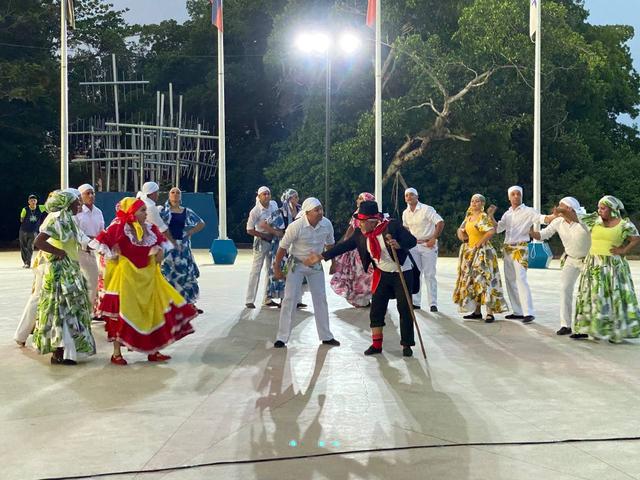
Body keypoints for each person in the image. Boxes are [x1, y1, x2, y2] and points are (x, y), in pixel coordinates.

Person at [91, 197, 198, 365]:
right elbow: (104, 248)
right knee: (122, 314)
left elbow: (161, 249)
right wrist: (116, 253)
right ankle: (117, 353)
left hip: (148, 278)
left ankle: (153, 350)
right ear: (131, 212)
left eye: (145, 210)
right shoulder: (119, 227)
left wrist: (158, 252)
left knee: (153, 311)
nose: (145, 213)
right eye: (142, 211)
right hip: (126, 278)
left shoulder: (149, 228)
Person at [307, 200, 418, 357]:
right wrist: (322, 256)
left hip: (402, 272)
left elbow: (411, 241)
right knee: (376, 308)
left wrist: (398, 244)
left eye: (362, 221)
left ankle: (407, 345)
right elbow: (344, 246)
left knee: (404, 308)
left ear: (373, 221)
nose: (359, 223)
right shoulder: (361, 234)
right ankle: (376, 345)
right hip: (382, 272)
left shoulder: (392, 227)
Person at [31, 190, 97, 365]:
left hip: (71, 269)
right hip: (59, 272)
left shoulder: (70, 221)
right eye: (76, 202)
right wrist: (58, 252)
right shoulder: (57, 219)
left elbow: (83, 240)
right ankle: (60, 351)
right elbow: (38, 241)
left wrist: (102, 245)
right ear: (67, 204)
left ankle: (67, 351)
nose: (79, 205)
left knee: (70, 309)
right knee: (60, 309)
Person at [571, 196, 640, 343]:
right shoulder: (594, 220)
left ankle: (615, 332)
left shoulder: (624, 224)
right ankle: (589, 328)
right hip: (594, 264)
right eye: (599, 208)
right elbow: (575, 217)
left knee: (613, 297)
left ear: (612, 209)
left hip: (613, 266)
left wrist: (624, 250)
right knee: (593, 296)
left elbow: (636, 238)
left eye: (603, 208)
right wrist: (561, 211)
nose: (599, 210)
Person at [272, 197, 340, 348]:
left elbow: (330, 245)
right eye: (317, 210)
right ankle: (282, 337)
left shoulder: (326, 224)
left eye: (321, 209)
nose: (320, 212)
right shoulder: (296, 226)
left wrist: (333, 263)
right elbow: (282, 248)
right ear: (307, 212)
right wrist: (276, 268)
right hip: (296, 264)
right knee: (289, 299)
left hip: (315, 266)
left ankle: (326, 336)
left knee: (320, 298)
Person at [530, 197, 591, 335]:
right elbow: (543, 235)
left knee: (586, 293)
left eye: (562, 206)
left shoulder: (584, 219)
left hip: (588, 260)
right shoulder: (558, 222)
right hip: (570, 259)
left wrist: (561, 212)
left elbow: (576, 218)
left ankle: (585, 327)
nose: (558, 208)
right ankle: (566, 325)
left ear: (570, 208)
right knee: (564, 290)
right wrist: (531, 232)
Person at [453, 194, 508, 322]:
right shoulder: (469, 217)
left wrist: (480, 242)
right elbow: (461, 230)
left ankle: (490, 313)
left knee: (485, 280)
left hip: (482, 252)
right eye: (472, 201)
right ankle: (477, 311)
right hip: (470, 252)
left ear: (482, 204)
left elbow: (490, 231)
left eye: (477, 201)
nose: (474, 203)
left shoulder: (483, 216)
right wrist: (462, 235)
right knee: (474, 282)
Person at [489, 185, 540, 323]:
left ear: (521, 196)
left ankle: (528, 312)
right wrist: (491, 216)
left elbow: (541, 218)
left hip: (520, 248)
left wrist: (553, 217)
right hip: (507, 249)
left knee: (521, 279)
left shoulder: (529, 211)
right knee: (510, 280)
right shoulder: (507, 214)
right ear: (509, 197)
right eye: (513, 194)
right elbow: (499, 229)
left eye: (518, 194)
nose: (516, 196)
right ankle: (518, 311)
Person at [159, 187, 205, 310]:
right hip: (168, 247)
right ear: (169, 195)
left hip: (182, 246)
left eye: (178, 192)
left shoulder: (186, 211)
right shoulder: (163, 212)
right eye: (172, 192)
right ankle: (170, 303)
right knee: (169, 273)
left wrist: (190, 232)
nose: (175, 194)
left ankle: (189, 303)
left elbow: (201, 223)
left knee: (185, 273)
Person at [329, 192, 376, 307]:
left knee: (367, 274)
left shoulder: (373, 216)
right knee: (357, 275)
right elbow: (351, 227)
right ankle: (361, 300)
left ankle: (370, 297)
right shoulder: (356, 213)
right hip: (355, 249)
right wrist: (346, 241)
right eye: (358, 198)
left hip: (367, 248)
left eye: (361, 198)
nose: (358, 200)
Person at [402, 187, 444, 311]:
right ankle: (415, 302)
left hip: (428, 245)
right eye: (406, 195)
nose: (409, 197)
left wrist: (433, 238)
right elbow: (406, 228)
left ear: (417, 196)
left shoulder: (426, 209)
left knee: (430, 274)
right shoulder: (405, 213)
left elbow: (440, 222)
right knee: (415, 273)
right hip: (414, 245)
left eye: (411, 195)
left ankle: (433, 303)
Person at [260, 188, 300, 307]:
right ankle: (282, 298)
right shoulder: (281, 212)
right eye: (295, 197)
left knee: (293, 269)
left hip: (294, 246)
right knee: (281, 269)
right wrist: (275, 232)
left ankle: (293, 298)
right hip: (281, 245)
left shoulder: (300, 211)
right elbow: (263, 224)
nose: (297, 199)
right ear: (289, 199)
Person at [245, 186, 279, 308]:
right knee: (256, 269)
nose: (267, 196)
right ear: (259, 196)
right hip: (261, 241)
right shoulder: (255, 211)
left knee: (271, 269)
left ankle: (268, 297)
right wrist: (263, 235)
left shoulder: (274, 205)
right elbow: (249, 229)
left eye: (268, 194)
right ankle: (249, 299)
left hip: (273, 240)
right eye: (264, 194)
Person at [75, 183, 104, 306]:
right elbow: (75, 232)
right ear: (80, 196)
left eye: (92, 193)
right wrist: (89, 239)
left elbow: (102, 230)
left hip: (91, 251)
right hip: (78, 251)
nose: (91, 196)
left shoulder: (98, 212)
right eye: (87, 193)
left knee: (92, 281)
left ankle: (88, 311)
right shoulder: (77, 212)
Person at [137, 181, 176, 245]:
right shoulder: (150, 207)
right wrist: (174, 243)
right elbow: (162, 229)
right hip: (144, 240)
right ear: (153, 193)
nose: (158, 194)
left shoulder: (140, 201)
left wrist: (157, 209)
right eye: (157, 192)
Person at [18, 194, 47, 268]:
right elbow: (21, 219)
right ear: (28, 202)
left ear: (36, 201)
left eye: (34, 200)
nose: (33, 202)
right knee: (23, 247)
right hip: (23, 230)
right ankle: (25, 262)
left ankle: (28, 263)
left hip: (33, 231)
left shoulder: (40, 208)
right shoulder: (25, 209)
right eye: (31, 200)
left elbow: (48, 206)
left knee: (30, 247)